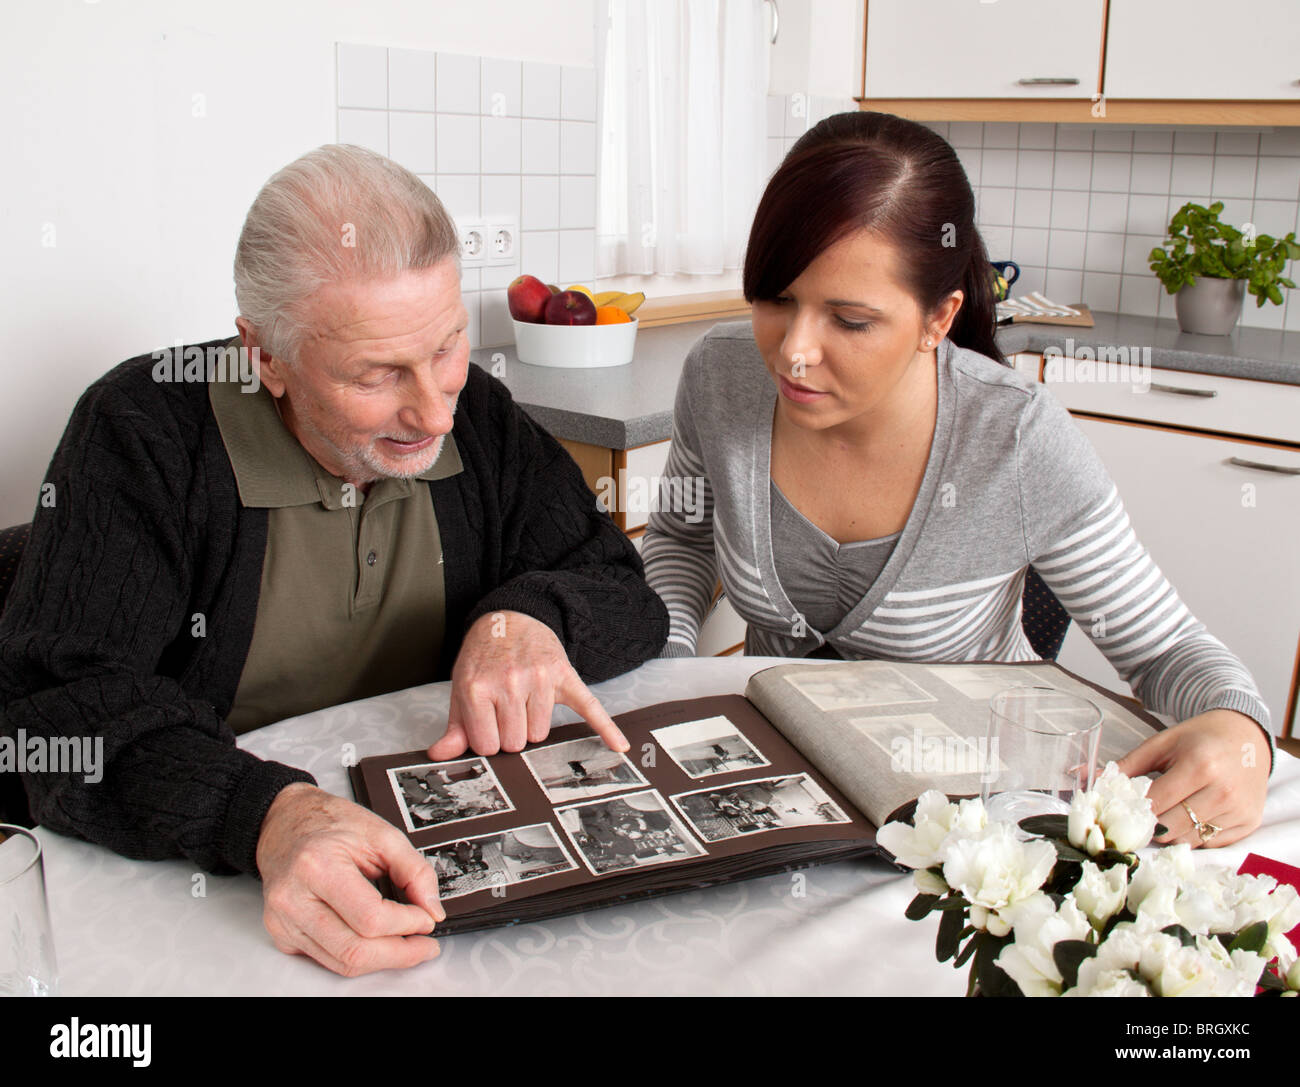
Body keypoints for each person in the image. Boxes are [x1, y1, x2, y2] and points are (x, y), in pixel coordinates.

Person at [0, 144, 668, 977]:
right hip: (212, 887)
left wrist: (529, 617)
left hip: (445, 879)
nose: (432, 408)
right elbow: (53, 721)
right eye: (377, 373)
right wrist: (265, 816)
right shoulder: (141, 433)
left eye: (448, 346)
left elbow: (624, 590)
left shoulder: (480, 417)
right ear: (265, 356)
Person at [642, 111, 1272, 851]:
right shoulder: (722, 376)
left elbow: (1165, 649)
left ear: (938, 318)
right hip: (776, 797)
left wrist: (1242, 735)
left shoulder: (1015, 439)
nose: (795, 353)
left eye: (850, 320)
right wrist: (668, 672)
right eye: (777, 299)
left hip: (971, 835)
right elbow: (681, 541)